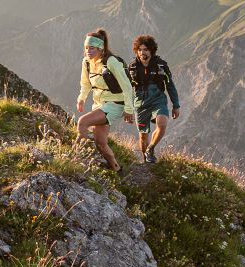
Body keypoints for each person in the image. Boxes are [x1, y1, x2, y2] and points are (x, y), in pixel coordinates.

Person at [76, 29, 134, 172]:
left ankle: (79, 159)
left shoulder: (111, 61)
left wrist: (129, 109)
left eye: (92, 48)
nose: (88, 51)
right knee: (101, 142)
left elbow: (127, 86)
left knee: (82, 122)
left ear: (100, 48)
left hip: (115, 104)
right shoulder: (87, 62)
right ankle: (117, 169)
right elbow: (85, 83)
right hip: (99, 105)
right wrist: (81, 98)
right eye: (86, 48)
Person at [129, 35, 180, 163]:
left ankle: (150, 149)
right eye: (139, 50)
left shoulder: (161, 66)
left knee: (162, 123)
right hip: (140, 104)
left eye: (145, 49)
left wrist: (176, 105)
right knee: (143, 136)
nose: (142, 52)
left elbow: (170, 85)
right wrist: (126, 108)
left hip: (158, 100)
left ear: (151, 50)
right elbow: (125, 88)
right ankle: (145, 161)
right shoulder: (132, 68)